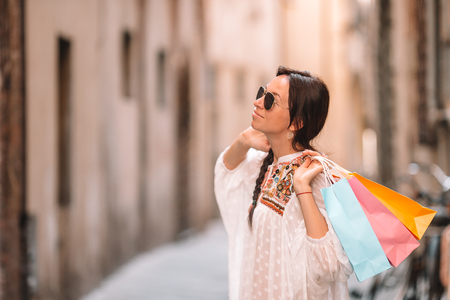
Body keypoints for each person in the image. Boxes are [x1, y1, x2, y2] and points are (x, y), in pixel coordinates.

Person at [214, 66, 353, 300]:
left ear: (296, 122)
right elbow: (227, 173)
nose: (258, 102)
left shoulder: (316, 173)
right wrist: (244, 140)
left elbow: (329, 265)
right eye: (261, 92)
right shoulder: (264, 165)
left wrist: (302, 190)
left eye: (270, 100)